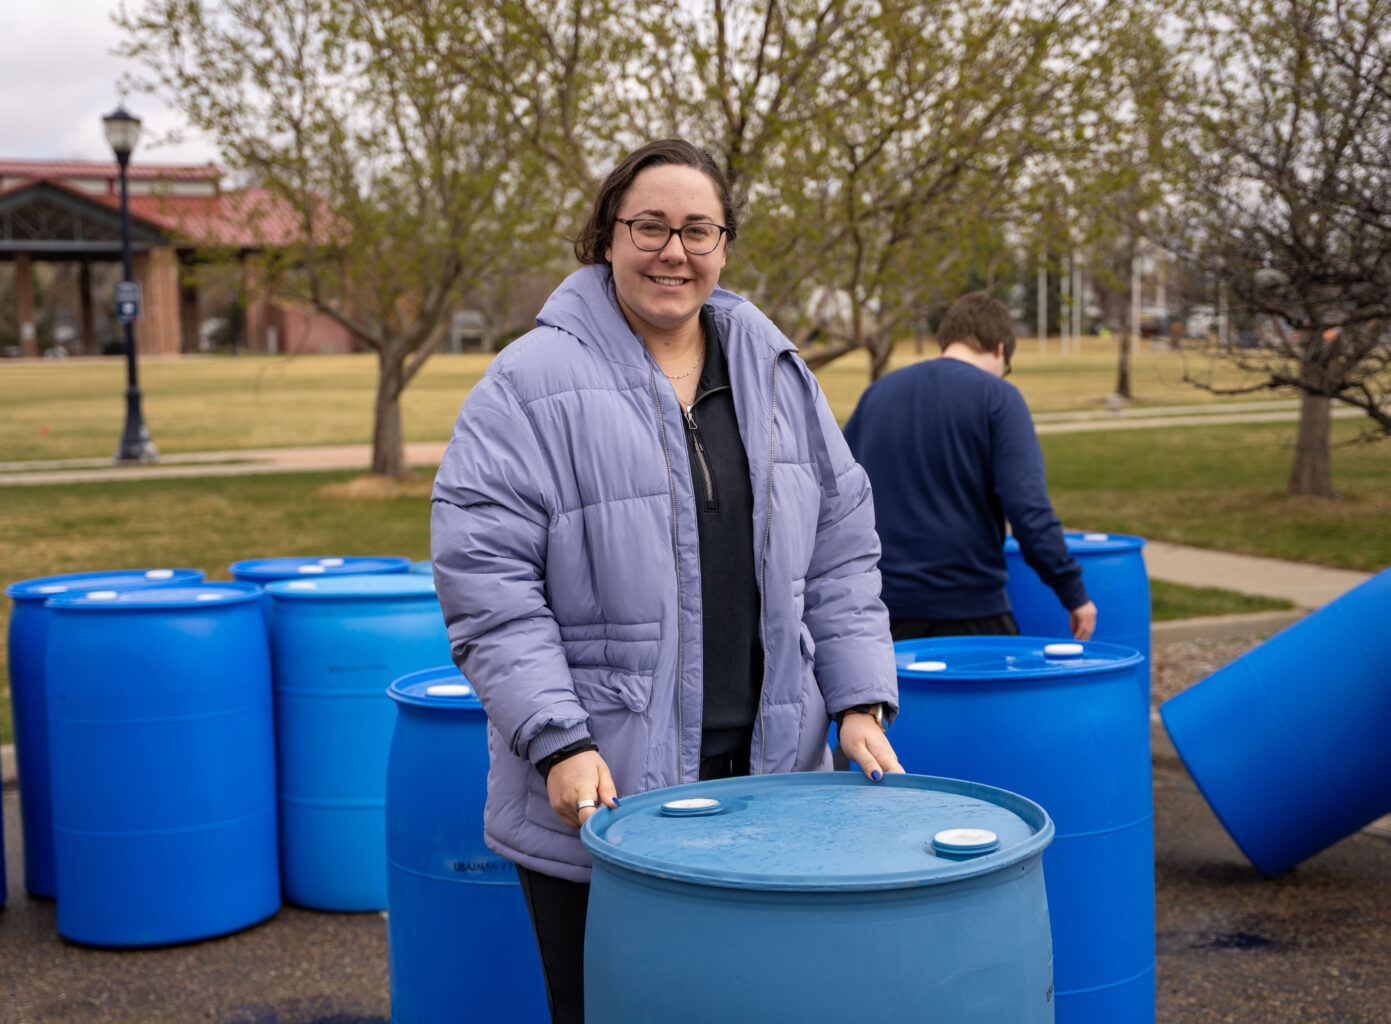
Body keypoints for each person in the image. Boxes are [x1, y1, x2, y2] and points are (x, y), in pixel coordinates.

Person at [430, 139, 902, 1024]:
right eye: (649, 226)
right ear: (606, 236)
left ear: (724, 245)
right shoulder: (526, 384)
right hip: (605, 794)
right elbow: (486, 585)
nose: (672, 251)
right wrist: (558, 740)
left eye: (697, 230)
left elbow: (840, 556)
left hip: (771, 785)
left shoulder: (778, 376)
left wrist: (858, 698)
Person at [843, 290, 1097, 642]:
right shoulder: (999, 397)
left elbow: (837, 495)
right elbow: (1028, 510)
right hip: (969, 611)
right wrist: (1073, 591)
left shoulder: (877, 394)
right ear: (1000, 350)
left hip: (881, 612)